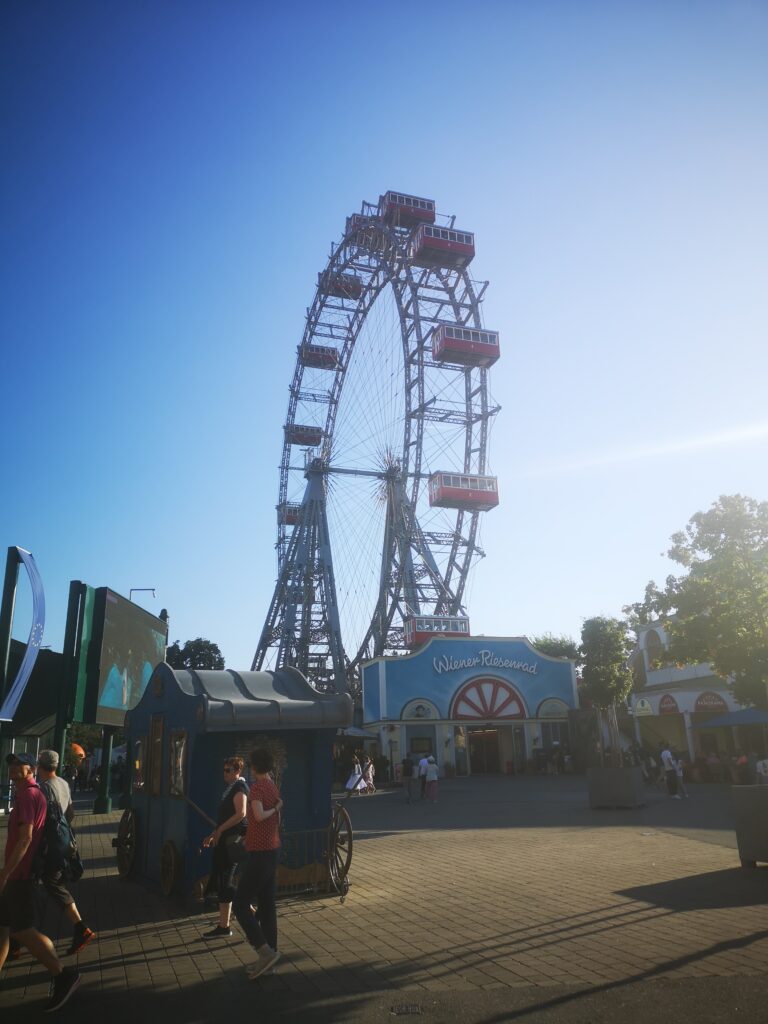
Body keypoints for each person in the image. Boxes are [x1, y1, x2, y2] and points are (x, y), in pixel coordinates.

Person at [0, 753, 81, 1011]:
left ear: (32, 768)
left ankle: (62, 974)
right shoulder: (34, 794)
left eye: (19, 766)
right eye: (11, 766)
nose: (13, 770)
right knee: (4, 928)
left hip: (21, 876)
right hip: (19, 874)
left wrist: (6, 873)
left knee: (22, 930)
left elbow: (25, 838)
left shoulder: (28, 796)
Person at [36, 749, 96, 956]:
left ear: (39, 766)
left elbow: (39, 821)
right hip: (61, 843)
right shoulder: (63, 783)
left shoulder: (43, 788)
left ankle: (80, 928)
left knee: (51, 884)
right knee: (54, 883)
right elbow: (70, 813)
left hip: (48, 846)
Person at [233, 748, 283, 980]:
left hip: (260, 855)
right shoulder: (272, 786)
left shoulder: (256, 788)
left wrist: (274, 809)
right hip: (272, 851)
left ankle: (263, 950)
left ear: (254, 767)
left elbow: (260, 815)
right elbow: (263, 822)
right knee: (267, 905)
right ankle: (270, 957)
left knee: (241, 903)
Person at [201, 756, 248, 938]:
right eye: (224, 770)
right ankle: (226, 924)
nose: (225, 773)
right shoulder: (230, 789)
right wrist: (213, 835)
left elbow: (241, 813)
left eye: (228, 770)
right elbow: (224, 819)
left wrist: (220, 830)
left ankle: (225, 925)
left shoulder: (239, 788)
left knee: (225, 881)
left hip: (232, 843)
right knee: (223, 881)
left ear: (237, 771)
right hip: (224, 841)